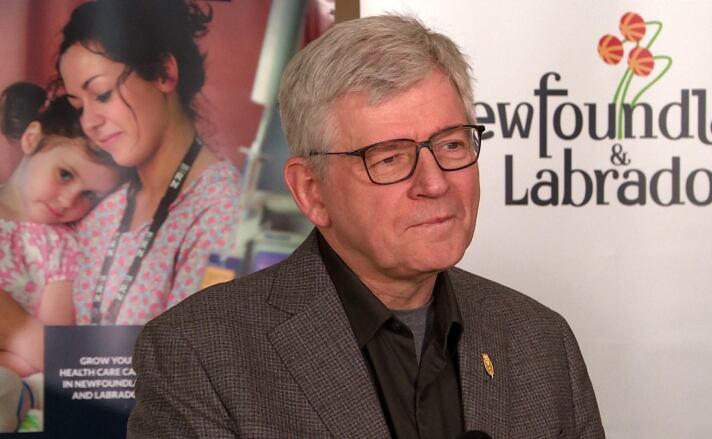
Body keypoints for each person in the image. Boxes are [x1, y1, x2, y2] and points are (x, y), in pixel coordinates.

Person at [129, 15, 605, 439]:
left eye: (453, 145)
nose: (434, 182)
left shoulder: (541, 341)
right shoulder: (199, 355)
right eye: (390, 158)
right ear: (312, 191)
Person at [56, 0, 240, 325]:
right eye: (77, 106)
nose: (89, 123)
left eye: (100, 95)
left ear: (163, 72)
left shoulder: (221, 212)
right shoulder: (100, 212)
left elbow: (195, 360)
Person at [0, 82, 125, 432]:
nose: (69, 201)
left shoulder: (65, 247)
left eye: (89, 195)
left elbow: (50, 347)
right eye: (65, 174)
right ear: (31, 139)